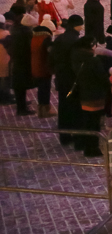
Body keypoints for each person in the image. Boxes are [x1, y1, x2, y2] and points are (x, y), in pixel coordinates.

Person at [51, 14, 83, 143]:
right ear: (78, 26)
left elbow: (52, 58)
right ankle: (76, 135)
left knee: (64, 106)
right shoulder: (76, 41)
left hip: (61, 77)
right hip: (72, 78)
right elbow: (77, 61)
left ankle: (64, 136)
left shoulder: (60, 39)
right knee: (75, 107)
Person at [30, 15, 55, 117]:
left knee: (41, 89)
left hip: (35, 67)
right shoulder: (46, 40)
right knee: (45, 89)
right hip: (44, 68)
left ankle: (41, 109)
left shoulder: (34, 38)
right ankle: (45, 111)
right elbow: (50, 53)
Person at [10, 13, 35, 115]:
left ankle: (22, 105)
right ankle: (21, 108)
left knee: (19, 86)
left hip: (17, 62)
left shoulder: (15, 30)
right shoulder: (26, 33)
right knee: (21, 85)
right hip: (23, 62)